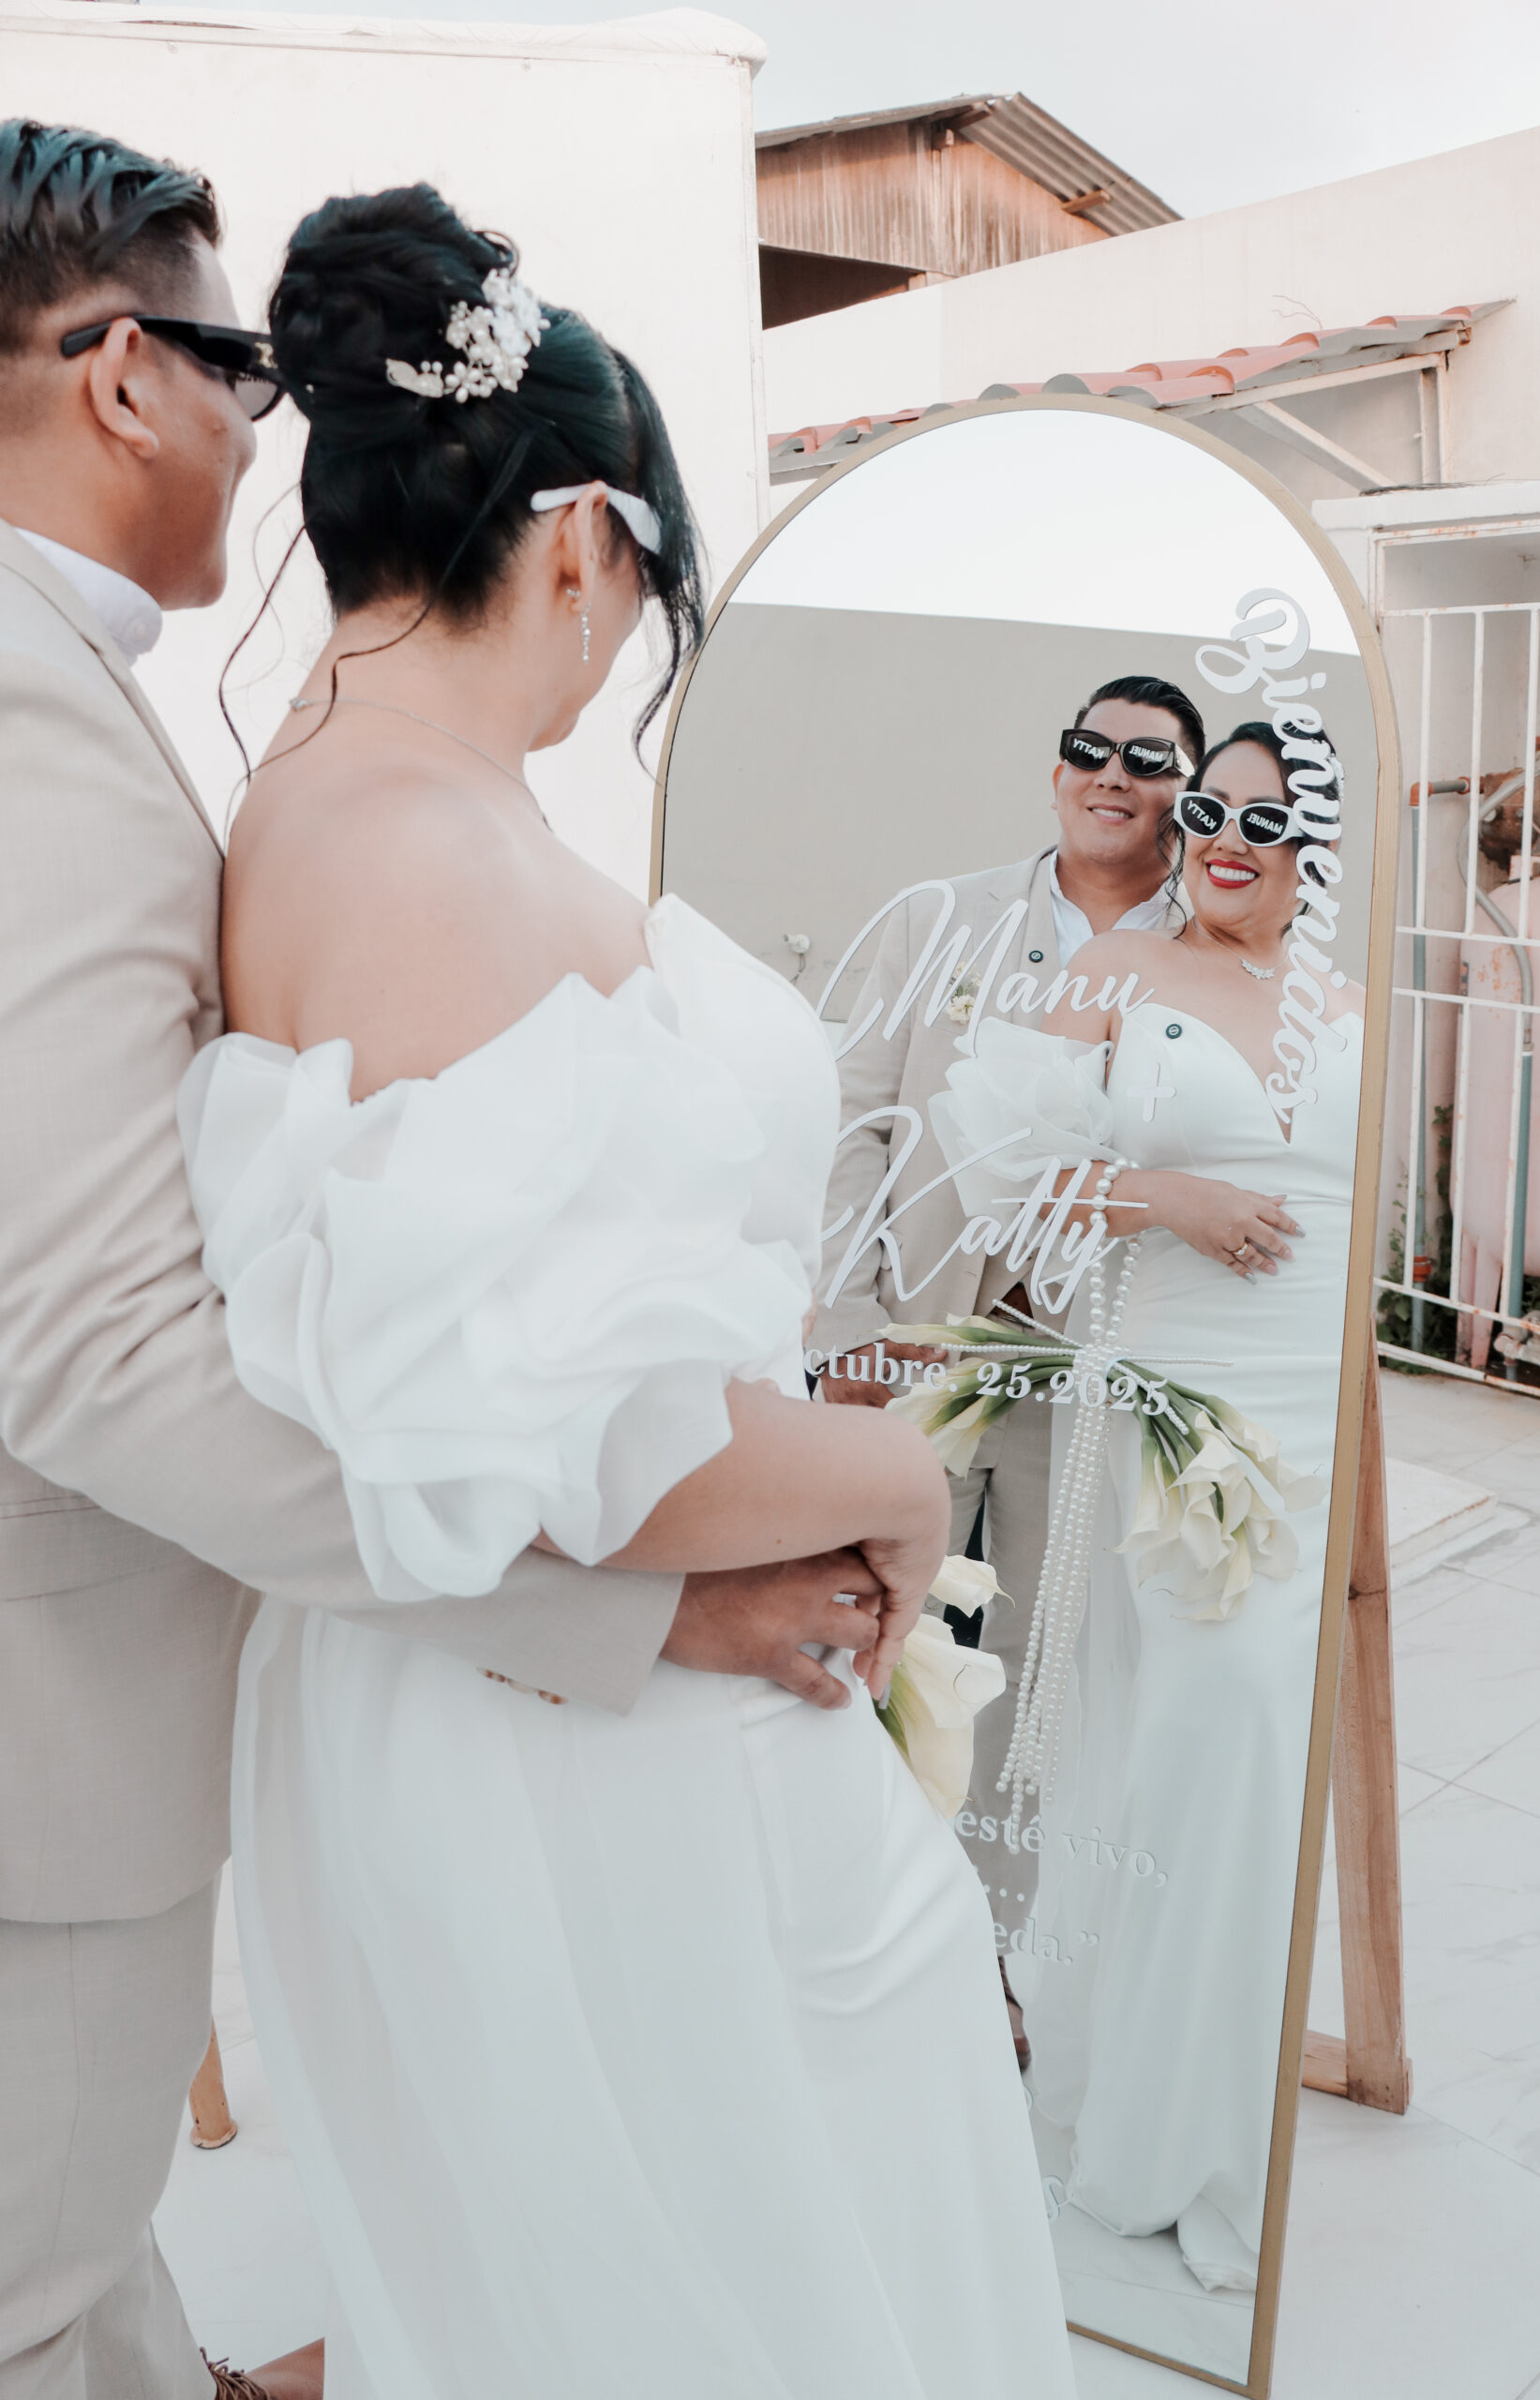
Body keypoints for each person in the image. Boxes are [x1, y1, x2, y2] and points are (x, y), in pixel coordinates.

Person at [0, 121, 901, 2400]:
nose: (261, 431)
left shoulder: (191, 753)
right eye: (233, 370)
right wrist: (701, 1565)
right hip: (99, 1760)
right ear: (120, 383)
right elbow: (103, 1358)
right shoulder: (51, 731)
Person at [177, 182, 1077, 2400]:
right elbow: (586, 1433)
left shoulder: (353, 800)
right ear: (581, 537)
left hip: (535, 1700)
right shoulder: (417, 847)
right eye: (644, 582)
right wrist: (898, 1478)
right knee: (742, 2294)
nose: (624, 638)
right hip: (575, 1748)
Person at [934, 718, 1362, 2294]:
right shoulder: (1119, 974)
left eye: (1269, 813)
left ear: (1318, 841)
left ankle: (1221, 2121)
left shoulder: (1349, 1008)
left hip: (1309, 1419)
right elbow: (993, 1166)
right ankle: (1138, 2123)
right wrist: (1160, 1193)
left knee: (1253, 1754)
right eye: (1211, 805)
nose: (1228, 832)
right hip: (1171, 1407)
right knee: (1179, 1735)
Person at [813, 674, 1204, 2027]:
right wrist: (848, 1327)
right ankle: (851, 1932)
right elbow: (848, 1119)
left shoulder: (1209, 952)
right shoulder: (943, 921)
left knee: (1027, 1679)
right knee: (873, 1634)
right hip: (915, 1348)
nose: (1112, 773)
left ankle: (988, 1973)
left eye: (1147, 759)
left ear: (1186, 789)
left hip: (1081, 1372)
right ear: (1057, 771)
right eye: (1088, 749)